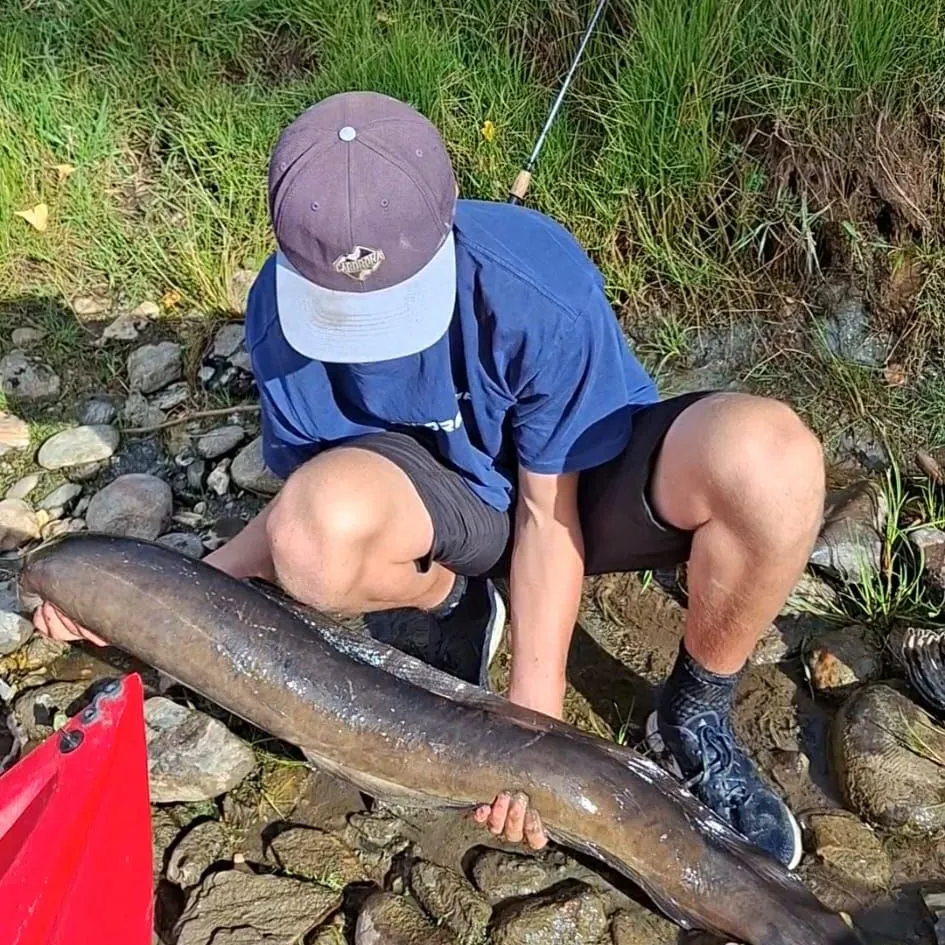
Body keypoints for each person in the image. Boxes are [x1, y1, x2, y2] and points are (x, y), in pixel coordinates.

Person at [33, 90, 825, 869]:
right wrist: (144, 602)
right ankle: (452, 603)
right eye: (346, 311)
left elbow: (548, 516)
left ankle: (692, 712)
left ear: (447, 223)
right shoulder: (279, 316)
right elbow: (299, 508)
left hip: (576, 489)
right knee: (308, 541)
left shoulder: (533, 281)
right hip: (446, 509)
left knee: (770, 458)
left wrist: (533, 732)